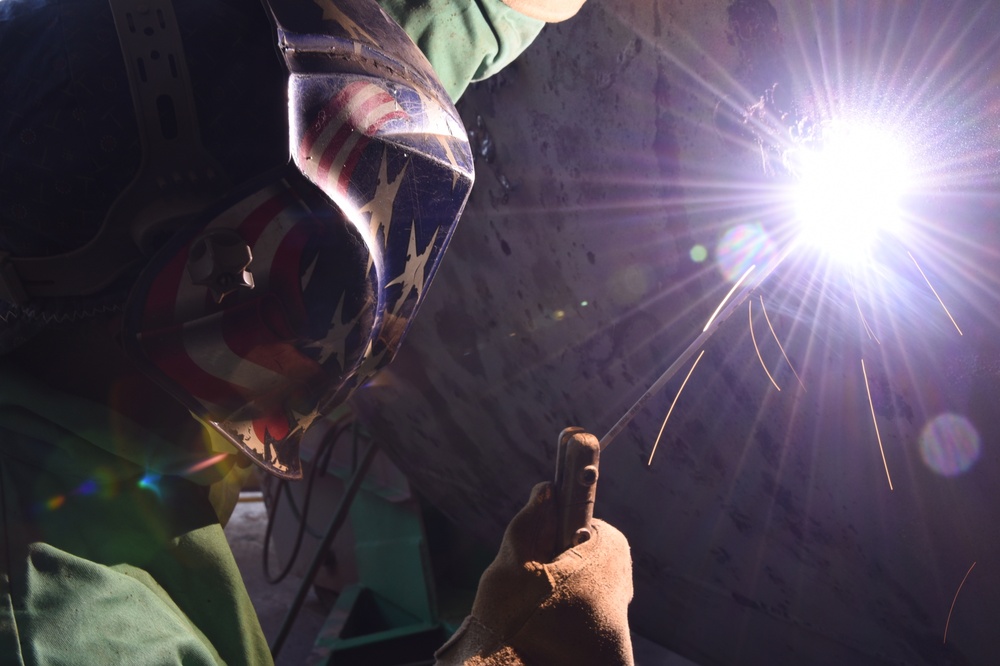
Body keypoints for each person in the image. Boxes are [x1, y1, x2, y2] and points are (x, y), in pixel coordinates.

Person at [0, 0, 631, 663]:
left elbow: (329, 98)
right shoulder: (69, 626)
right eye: (316, 277)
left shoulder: (93, 176)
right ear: (209, 276)